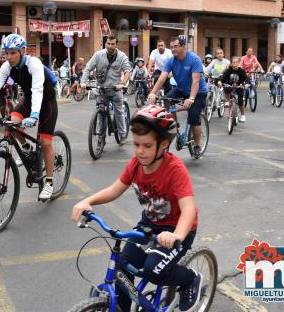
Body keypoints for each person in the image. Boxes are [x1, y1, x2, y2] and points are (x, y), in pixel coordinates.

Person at [71, 105, 201, 312]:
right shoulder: (135, 165)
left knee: (153, 271)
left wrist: (176, 235)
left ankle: (190, 279)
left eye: (147, 145)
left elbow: (189, 209)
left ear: (164, 145)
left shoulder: (175, 170)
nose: (140, 151)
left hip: (176, 229)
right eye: (136, 144)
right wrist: (88, 201)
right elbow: (114, 190)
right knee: (122, 266)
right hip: (149, 225)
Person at [0, 33, 58, 201]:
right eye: (7, 53)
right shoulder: (6, 66)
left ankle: (49, 182)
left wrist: (34, 115)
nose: (9, 57)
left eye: (13, 53)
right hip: (29, 100)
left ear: (23, 51)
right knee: (10, 123)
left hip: (46, 102)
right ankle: (28, 150)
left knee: (45, 142)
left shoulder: (33, 63)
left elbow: (37, 90)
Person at [148, 36, 209, 155]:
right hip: (181, 89)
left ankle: (197, 145)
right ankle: (174, 123)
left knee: (193, 118)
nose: (173, 49)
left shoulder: (194, 59)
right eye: (171, 47)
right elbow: (162, 78)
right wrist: (152, 92)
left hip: (198, 92)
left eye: (176, 46)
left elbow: (195, 81)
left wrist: (191, 98)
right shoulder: (171, 61)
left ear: (183, 47)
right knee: (166, 100)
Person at [80, 34, 132, 144]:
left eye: (112, 44)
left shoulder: (122, 56)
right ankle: (100, 137)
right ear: (105, 43)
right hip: (101, 89)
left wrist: (122, 84)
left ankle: (122, 133)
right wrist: (83, 82)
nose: (110, 46)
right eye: (108, 43)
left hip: (115, 89)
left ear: (116, 45)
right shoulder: (98, 55)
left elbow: (127, 71)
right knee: (100, 115)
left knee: (119, 111)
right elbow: (87, 68)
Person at [218, 57, 249, 122]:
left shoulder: (241, 71)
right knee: (226, 88)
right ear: (231, 64)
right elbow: (223, 77)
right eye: (233, 62)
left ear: (239, 63)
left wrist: (246, 84)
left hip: (239, 86)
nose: (235, 64)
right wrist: (220, 81)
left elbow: (246, 78)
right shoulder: (228, 70)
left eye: (237, 62)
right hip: (230, 86)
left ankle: (243, 115)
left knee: (240, 101)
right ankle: (227, 101)